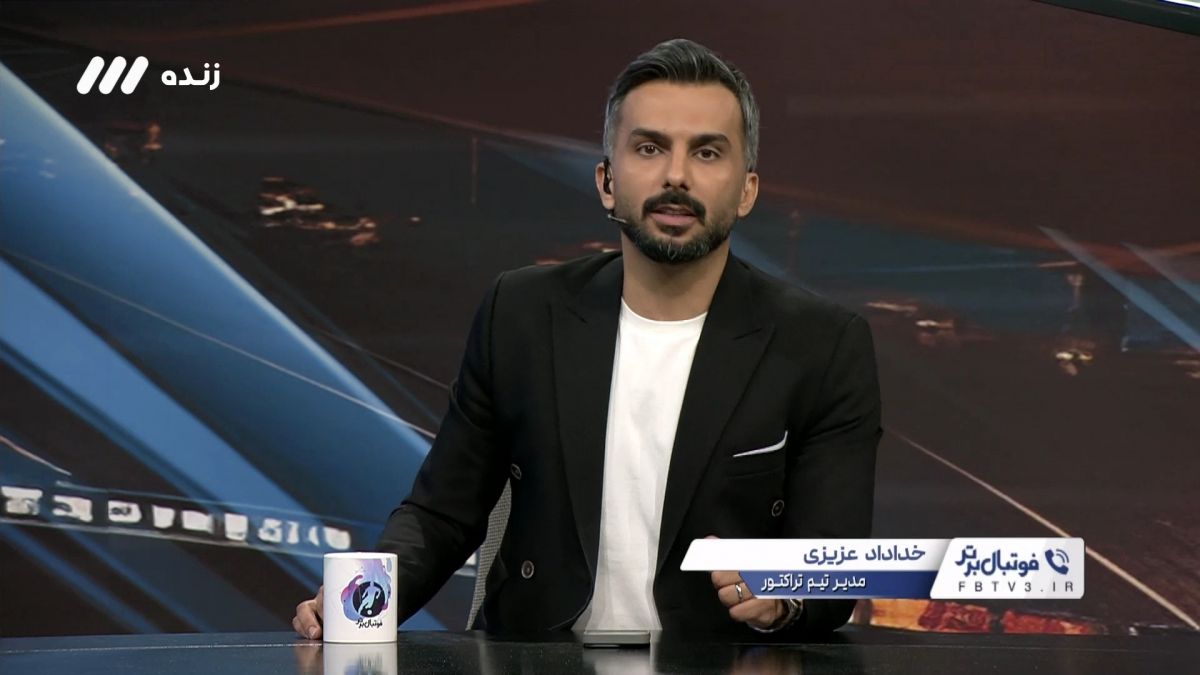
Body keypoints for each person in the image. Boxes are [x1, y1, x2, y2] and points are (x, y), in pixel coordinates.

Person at [294, 38, 880, 638]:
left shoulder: (822, 346)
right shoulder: (521, 312)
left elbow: (835, 562)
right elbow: (443, 512)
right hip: (538, 658)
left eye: (707, 153)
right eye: (649, 148)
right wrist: (358, 603)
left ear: (748, 190)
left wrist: (786, 596)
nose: (676, 176)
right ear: (606, 181)